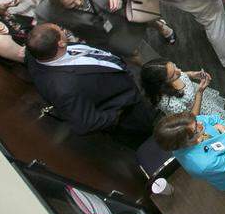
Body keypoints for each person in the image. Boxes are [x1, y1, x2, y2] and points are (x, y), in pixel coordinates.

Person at [26, 23, 156, 146]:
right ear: (60, 43)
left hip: (122, 82)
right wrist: (118, 114)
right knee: (154, 128)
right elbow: (85, 123)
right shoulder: (64, 89)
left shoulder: (37, 52)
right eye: (60, 30)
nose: (63, 30)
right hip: (129, 113)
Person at [36, 0, 165, 63]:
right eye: (71, 4)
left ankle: (163, 29)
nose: (78, 3)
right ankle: (148, 67)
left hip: (119, 12)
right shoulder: (48, 9)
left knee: (147, 20)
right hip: (102, 33)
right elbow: (42, 26)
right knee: (130, 52)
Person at [141, 59, 225, 126]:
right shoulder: (169, 104)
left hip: (202, 100)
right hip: (200, 112)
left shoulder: (173, 73)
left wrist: (192, 74)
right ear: (163, 83)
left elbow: (182, 74)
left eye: (175, 66)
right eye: (173, 74)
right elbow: (191, 119)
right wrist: (199, 93)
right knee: (218, 126)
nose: (179, 71)